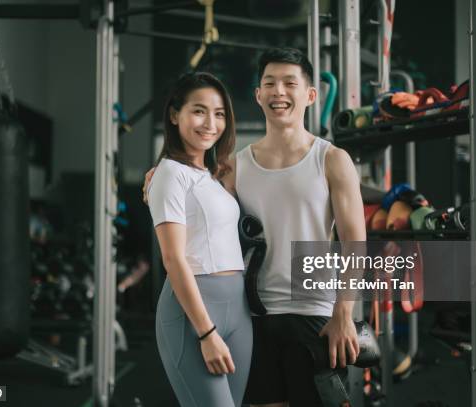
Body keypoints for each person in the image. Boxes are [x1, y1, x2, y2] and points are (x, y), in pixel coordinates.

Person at [145, 48, 365, 407]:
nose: (279, 91)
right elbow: (194, 193)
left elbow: (356, 241)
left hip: (314, 313)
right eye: (270, 84)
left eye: (290, 83)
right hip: (255, 315)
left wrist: (344, 312)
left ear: (310, 95)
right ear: (258, 95)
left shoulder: (332, 160)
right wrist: (156, 177)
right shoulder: (234, 167)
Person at [147, 72, 252, 407]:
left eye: (219, 113)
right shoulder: (168, 174)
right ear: (175, 114)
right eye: (199, 111)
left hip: (238, 309)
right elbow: (173, 259)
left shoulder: (210, 175)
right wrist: (206, 333)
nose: (210, 123)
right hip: (193, 315)